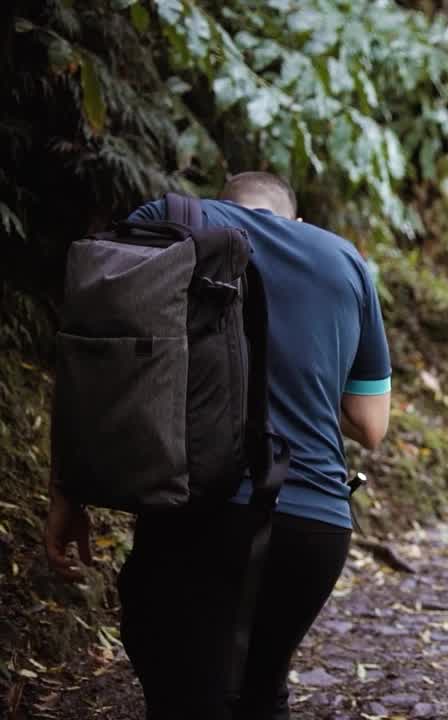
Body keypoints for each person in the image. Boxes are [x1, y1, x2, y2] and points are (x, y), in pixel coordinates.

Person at [44, 172, 392, 719]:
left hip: (203, 512)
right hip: (316, 526)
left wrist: (70, 491)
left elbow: (98, 361)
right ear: (295, 220)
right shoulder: (344, 259)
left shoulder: (173, 222)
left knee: (185, 692)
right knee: (262, 690)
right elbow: (370, 424)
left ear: (222, 203)